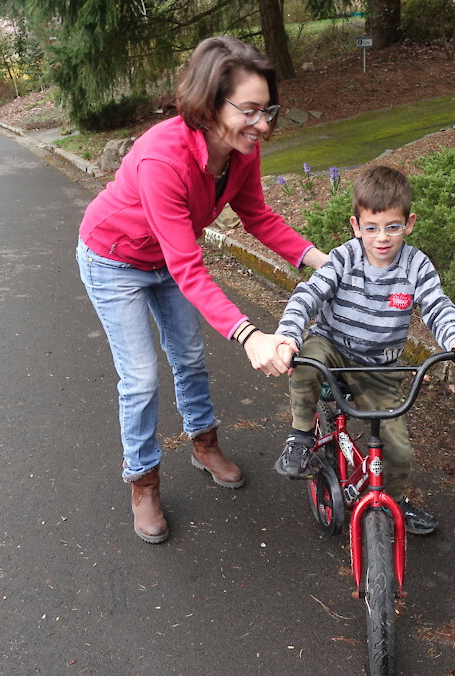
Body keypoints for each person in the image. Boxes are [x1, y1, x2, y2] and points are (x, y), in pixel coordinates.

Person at [76, 36, 330, 544]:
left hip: (167, 258)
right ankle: (143, 480)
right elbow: (189, 267)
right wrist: (248, 334)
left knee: (189, 355)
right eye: (251, 110)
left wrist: (323, 263)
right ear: (211, 104)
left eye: (268, 110)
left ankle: (203, 443)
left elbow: (257, 215)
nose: (264, 124)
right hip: (114, 259)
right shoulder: (162, 159)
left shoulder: (239, 151)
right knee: (142, 377)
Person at [272, 165, 455, 535]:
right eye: (371, 228)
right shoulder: (343, 258)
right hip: (333, 347)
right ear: (356, 226)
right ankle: (301, 437)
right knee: (306, 362)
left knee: (398, 451)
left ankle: (395, 501)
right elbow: (308, 295)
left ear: (409, 223)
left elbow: (437, 305)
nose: (381, 238)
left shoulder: (416, 265)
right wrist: (288, 335)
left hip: (379, 367)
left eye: (392, 227)